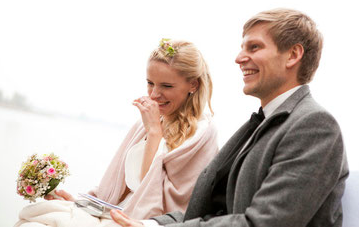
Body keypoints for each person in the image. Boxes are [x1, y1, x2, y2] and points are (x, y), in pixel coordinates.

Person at [110, 8, 349, 227]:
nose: (238, 58)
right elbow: (209, 212)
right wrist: (148, 225)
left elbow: (265, 223)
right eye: (243, 47)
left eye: (254, 47)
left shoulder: (315, 127)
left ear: (293, 55)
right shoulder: (262, 124)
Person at [14, 39, 219, 226]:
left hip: (144, 221)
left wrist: (155, 132)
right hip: (115, 213)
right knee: (33, 218)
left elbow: (157, 198)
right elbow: (122, 191)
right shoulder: (147, 124)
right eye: (150, 83)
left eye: (166, 85)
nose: (155, 94)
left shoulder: (201, 133)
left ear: (193, 84)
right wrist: (83, 204)